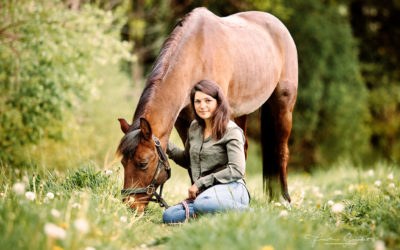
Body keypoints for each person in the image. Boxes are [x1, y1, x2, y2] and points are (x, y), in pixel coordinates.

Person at [163, 79, 250, 223]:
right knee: (169, 216)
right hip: (206, 195)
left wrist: (200, 183)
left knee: (201, 203)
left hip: (232, 188)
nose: (202, 106)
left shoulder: (231, 130)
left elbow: (237, 170)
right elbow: (187, 159)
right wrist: (164, 144)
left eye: (208, 100)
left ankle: (251, 213)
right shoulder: (194, 128)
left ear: (218, 102)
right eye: (197, 101)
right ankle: (213, 215)